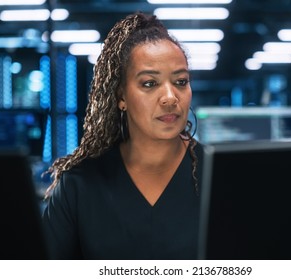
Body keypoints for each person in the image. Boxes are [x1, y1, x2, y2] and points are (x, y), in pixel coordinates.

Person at [41, 11, 203, 260]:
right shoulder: (80, 184)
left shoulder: (218, 176)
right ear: (121, 96)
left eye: (181, 81)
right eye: (149, 83)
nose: (171, 98)